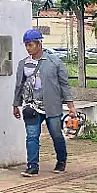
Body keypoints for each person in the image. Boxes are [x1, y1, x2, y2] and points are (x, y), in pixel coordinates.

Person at [13, 29, 75, 177]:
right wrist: (16, 104)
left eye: (31, 45)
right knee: (32, 136)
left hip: (51, 106)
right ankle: (32, 166)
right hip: (31, 106)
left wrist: (70, 106)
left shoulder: (54, 61)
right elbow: (19, 85)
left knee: (56, 135)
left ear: (39, 44)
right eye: (26, 45)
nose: (28, 48)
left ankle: (61, 160)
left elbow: (64, 84)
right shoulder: (23, 64)